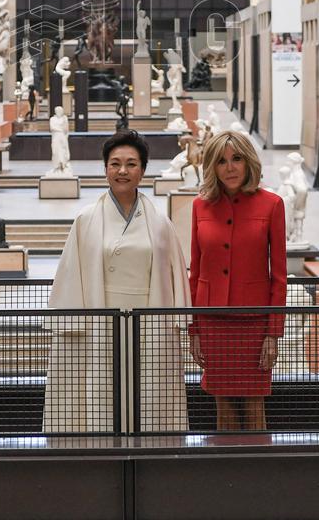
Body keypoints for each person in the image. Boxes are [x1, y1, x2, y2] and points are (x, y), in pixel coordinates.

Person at [44, 130, 190, 433]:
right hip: (101, 316)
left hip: (149, 321)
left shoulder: (161, 223)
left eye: (131, 164)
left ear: (143, 170)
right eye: (115, 163)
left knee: (146, 391)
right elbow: (72, 273)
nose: (122, 171)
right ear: (105, 168)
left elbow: (173, 274)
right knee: (102, 388)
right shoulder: (86, 219)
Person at [189, 130, 287, 431]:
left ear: (248, 163)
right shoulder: (199, 206)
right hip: (213, 321)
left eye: (236, 159)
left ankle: (257, 472)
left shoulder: (272, 205)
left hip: (254, 324)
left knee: (254, 404)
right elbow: (195, 271)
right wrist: (194, 328)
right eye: (221, 161)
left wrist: (273, 333)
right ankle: (224, 472)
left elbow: (279, 276)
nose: (229, 167)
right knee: (223, 405)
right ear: (211, 167)